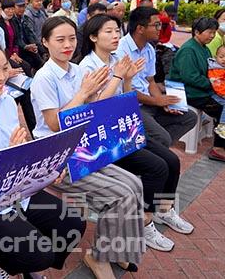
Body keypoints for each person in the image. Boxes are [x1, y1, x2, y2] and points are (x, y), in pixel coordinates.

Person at [0, 39, 86, 278]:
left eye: (4, 68)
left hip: (16, 190)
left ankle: (17, 262)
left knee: (72, 225)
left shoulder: (8, 102)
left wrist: (46, 169)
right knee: (40, 253)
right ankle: (8, 262)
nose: (2, 76)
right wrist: (7, 157)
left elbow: (21, 152)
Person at [30, 16, 145, 278]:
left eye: (72, 38)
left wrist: (117, 80)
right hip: (57, 157)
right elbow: (53, 123)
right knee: (120, 195)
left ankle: (118, 248)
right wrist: (83, 94)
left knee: (134, 185)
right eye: (60, 40)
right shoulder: (44, 78)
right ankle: (98, 256)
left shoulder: (79, 70)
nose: (68, 45)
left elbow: (96, 108)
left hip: (84, 147)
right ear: (45, 42)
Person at [79, 13, 187, 251]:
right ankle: (144, 221)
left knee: (172, 160)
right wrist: (118, 76)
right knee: (156, 168)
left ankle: (164, 210)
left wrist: (126, 79)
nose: (116, 35)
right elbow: (96, 110)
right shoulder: (88, 66)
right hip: (105, 137)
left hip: (123, 128)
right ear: (94, 37)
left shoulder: (117, 59)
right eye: (108, 31)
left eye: (117, 30)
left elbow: (127, 99)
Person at [115, 7, 198, 233]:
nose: (160, 29)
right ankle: (150, 161)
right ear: (140, 28)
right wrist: (156, 101)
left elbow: (151, 81)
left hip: (149, 102)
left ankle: (163, 206)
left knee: (188, 116)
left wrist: (163, 100)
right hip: (135, 106)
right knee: (162, 142)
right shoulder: (121, 50)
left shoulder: (149, 49)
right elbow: (126, 92)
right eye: (156, 25)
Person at [169, 17, 225, 162]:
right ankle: (218, 148)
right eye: (209, 32)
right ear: (197, 32)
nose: (212, 36)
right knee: (222, 108)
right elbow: (190, 77)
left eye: (214, 32)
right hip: (188, 92)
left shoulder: (204, 48)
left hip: (202, 89)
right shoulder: (188, 50)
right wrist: (214, 84)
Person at [208, 45, 225, 138]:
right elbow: (217, 85)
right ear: (215, 57)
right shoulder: (216, 70)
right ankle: (222, 125)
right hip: (216, 95)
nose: (224, 60)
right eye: (221, 57)